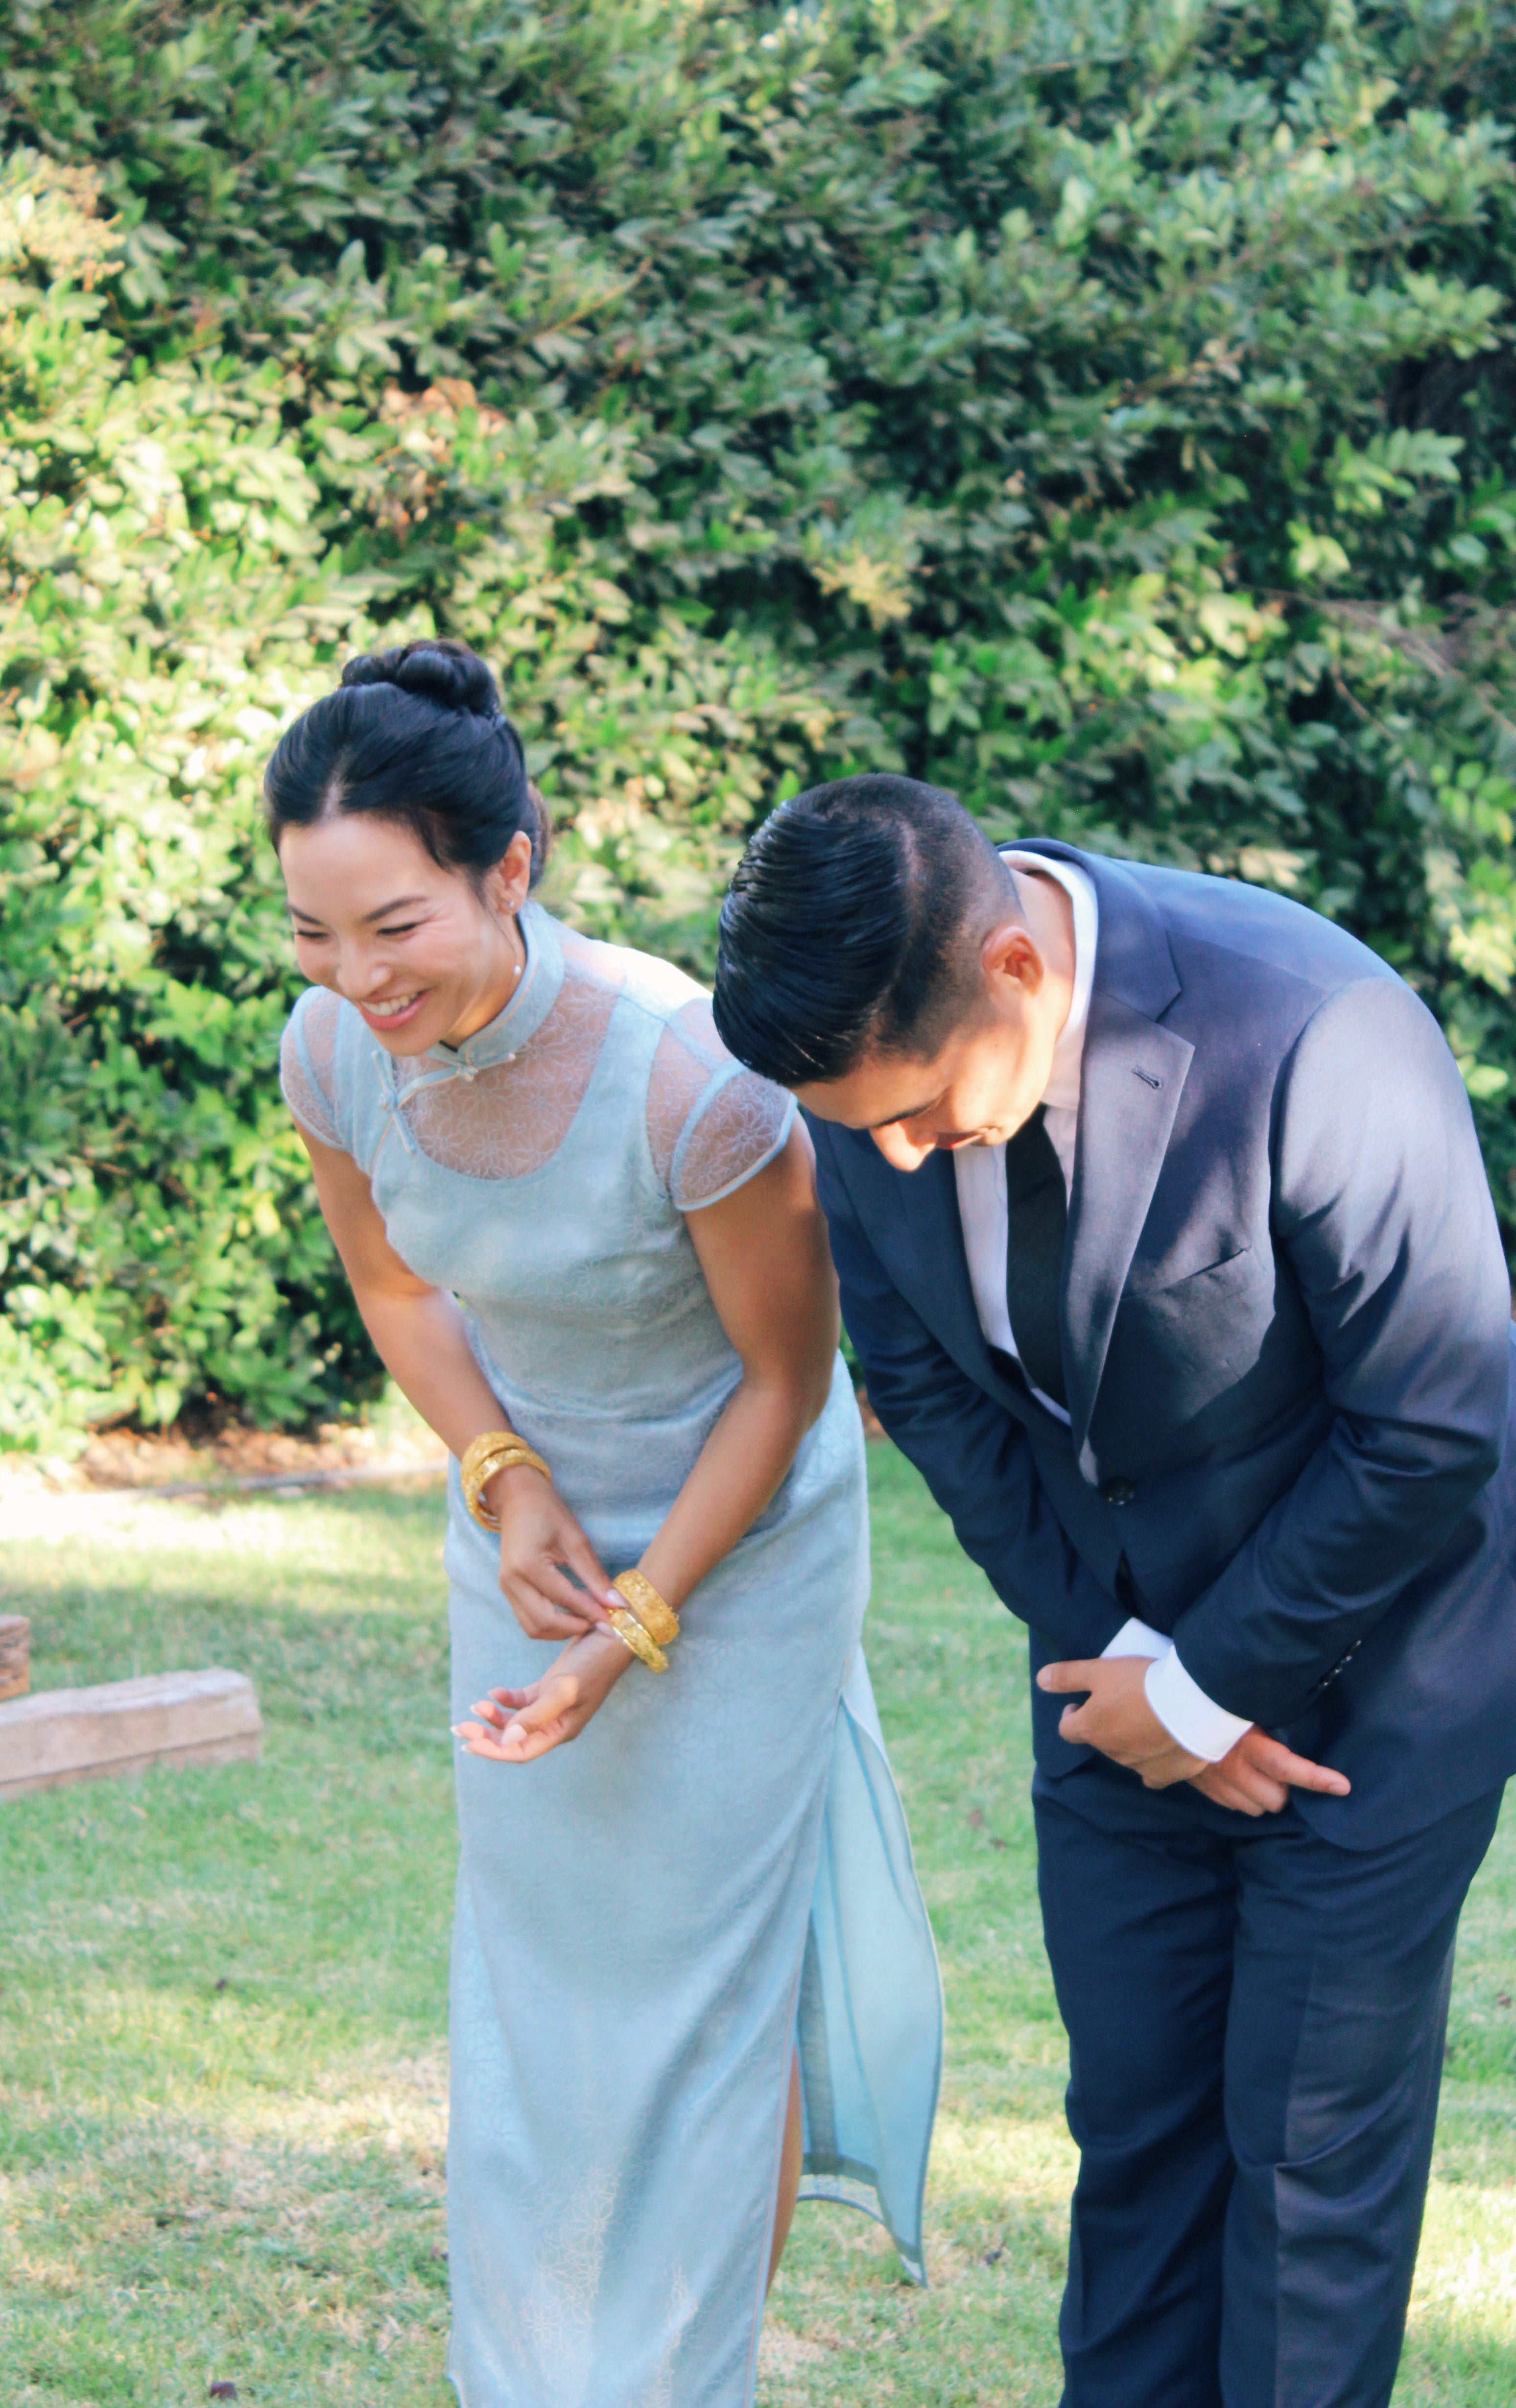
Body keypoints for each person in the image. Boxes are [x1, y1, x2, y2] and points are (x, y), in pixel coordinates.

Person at [710, 774, 1516, 2408]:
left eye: (920, 1109)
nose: (890, 1154)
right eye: (852, 1122)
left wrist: (1210, 1684)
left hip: (1398, 1649)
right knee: (1137, 2126)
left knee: (1302, 2160)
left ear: (1014, 969)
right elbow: (929, 1390)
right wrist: (1133, 1683)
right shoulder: (857, 1052)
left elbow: (1427, 1422)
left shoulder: (1317, 1030)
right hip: (1114, 1661)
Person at [264, 648, 941, 2408]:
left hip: (738, 1559)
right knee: (538, 2007)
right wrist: (501, 1474)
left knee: (702, 2013)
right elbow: (398, 1289)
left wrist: (636, 1621)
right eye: (317, 936)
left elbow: (790, 1388)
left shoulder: (690, 1080)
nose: (357, 978)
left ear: (512, 862)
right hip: (525, 1532)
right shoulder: (333, 1054)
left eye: (394, 924)